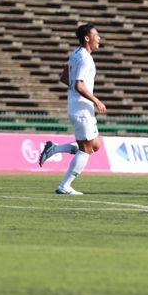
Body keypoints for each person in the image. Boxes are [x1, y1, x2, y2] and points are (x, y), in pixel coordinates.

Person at [38, 23, 106, 195]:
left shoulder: (75, 54)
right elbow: (78, 85)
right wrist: (96, 100)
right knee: (86, 150)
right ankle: (64, 185)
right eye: (96, 35)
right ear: (87, 38)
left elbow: (64, 77)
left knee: (95, 145)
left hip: (78, 106)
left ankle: (54, 149)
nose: (99, 38)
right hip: (82, 109)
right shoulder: (85, 58)